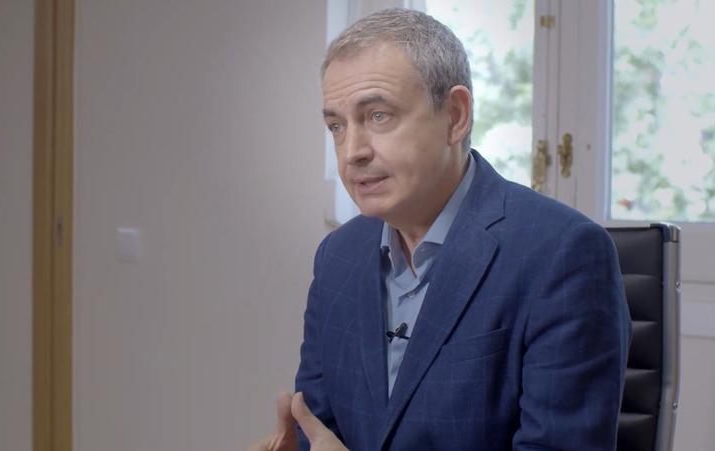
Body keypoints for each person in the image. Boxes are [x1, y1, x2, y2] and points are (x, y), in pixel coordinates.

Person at [250, 8, 631, 451]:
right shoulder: (337, 256)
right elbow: (317, 430)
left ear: (455, 116)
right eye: (336, 126)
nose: (352, 151)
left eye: (378, 116)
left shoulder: (563, 254)